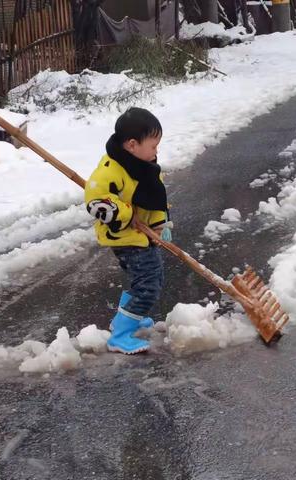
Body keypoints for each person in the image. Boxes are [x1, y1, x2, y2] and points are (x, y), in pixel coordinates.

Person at [84, 107, 172, 354]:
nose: (157, 151)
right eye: (153, 145)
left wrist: (159, 222)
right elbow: (95, 201)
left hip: (142, 235)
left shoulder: (143, 165)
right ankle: (120, 334)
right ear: (133, 145)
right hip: (123, 236)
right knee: (148, 284)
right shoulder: (110, 170)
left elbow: (155, 197)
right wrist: (125, 213)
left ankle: (132, 314)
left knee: (150, 279)